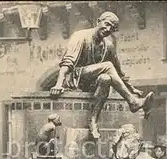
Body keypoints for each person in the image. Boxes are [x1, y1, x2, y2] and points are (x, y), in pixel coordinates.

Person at [49, 11, 154, 139]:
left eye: (112, 28)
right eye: (107, 24)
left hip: (93, 83)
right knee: (108, 66)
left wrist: (132, 88)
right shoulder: (80, 36)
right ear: (98, 21)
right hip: (76, 77)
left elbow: (119, 72)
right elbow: (68, 62)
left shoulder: (108, 45)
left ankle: (93, 121)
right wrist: (59, 84)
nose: (108, 29)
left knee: (105, 78)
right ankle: (133, 102)